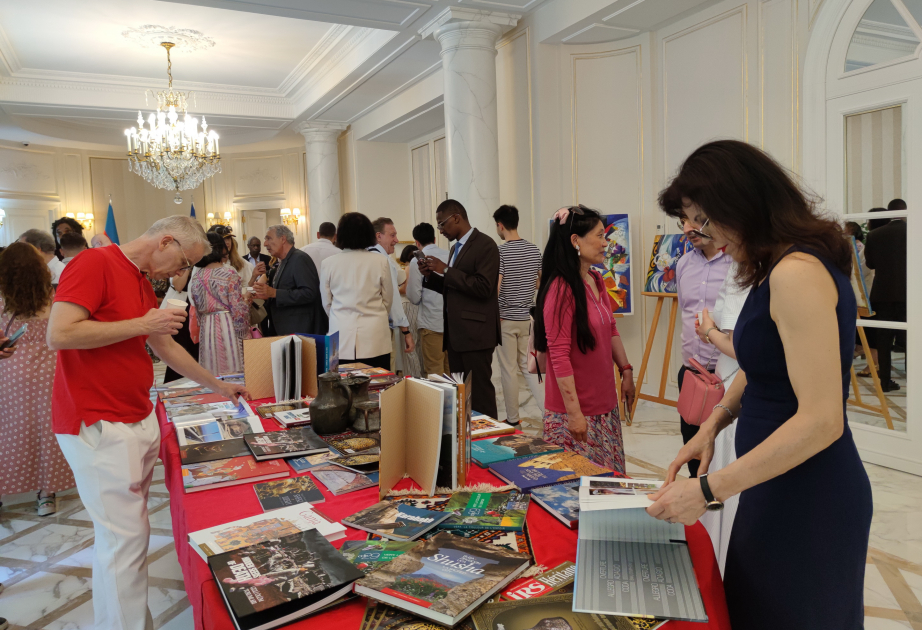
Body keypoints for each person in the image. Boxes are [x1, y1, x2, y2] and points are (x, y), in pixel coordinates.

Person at [646, 140, 872, 629]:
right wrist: (715, 422)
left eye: (703, 220)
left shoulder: (796, 273)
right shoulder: (777, 267)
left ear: (740, 201)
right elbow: (764, 361)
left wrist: (708, 490)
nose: (699, 234)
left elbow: (822, 420)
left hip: (810, 494)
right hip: (771, 481)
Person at [47, 215, 250, 630]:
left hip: (134, 412)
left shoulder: (139, 279)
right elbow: (60, 333)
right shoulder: (93, 264)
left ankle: (125, 619)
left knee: (125, 539)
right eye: (182, 262)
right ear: (165, 241)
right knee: (124, 542)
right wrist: (144, 324)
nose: (181, 273)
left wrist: (218, 386)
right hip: (99, 420)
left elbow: (163, 346)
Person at [533, 205, 635, 472]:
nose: (605, 243)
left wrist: (626, 370)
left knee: (608, 489)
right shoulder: (560, 289)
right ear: (575, 241)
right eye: (600, 236)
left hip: (604, 407)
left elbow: (610, 327)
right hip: (575, 413)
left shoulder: (595, 279)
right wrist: (575, 414)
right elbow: (559, 355)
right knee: (576, 494)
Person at [0, 243, 75, 516]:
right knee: (48, 431)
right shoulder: (54, 298)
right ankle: (47, 493)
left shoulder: (1, 300)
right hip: (51, 371)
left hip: (10, 372)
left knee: (9, 432)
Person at [419, 199, 501, 418]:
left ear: (456, 217)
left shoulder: (485, 244)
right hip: (456, 334)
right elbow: (455, 288)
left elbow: (484, 288)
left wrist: (445, 270)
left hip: (476, 334)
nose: (440, 230)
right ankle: (468, 437)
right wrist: (430, 277)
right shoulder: (456, 248)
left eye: (442, 224)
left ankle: (489, 441)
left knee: (480, 393)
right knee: (462, 392)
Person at [692, 261, 748, 574]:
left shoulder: (746, 270)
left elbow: (743, 350)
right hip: (732, 393)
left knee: (729, 485)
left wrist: (709, 331)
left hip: (737, 395)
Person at [674, 200, 732, 477]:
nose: (688, 228)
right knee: (693, 451)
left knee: (725, 455)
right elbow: (685, 310)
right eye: (683, 221)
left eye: (695, 220)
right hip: (691, 373)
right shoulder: (683, 263)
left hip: (728, 375)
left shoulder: (737, 263)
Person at [321, 213, 394, 369]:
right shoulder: (380, 261)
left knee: (341, 388)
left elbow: (327, 303)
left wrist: (339, 316)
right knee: (377, 387)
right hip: (374, 334)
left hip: (339, 334)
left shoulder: (328, 263)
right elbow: (387, 299)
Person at [493, 204, 544, 426]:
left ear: (500, 225)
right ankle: (549, 414)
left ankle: (513, 419)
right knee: (529, 368)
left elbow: (496, 287)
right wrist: (527, 286)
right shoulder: (534, 250)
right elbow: (542, 281)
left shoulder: (500, 251)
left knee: (508, 370)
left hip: (506, 318)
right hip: (526, 318)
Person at [190, 232, 252, 376]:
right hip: (227, 325)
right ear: (221, 248)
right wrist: (246, 300)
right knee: (232, 365)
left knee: (211, 367)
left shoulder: (197, 277)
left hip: (207, 327)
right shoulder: (229, 273)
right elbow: (237, 308)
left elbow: (198, 307)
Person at [863, 199, 907, 391]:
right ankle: (913, 376)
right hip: (909, 293)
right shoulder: (914, 232)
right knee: (911, 336)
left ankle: (885, 381)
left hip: (882, 293)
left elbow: (870, 264)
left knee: (883, 338)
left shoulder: (874, 235)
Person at [253, 224, 325, 335]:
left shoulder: (299, 258)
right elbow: (285, 291)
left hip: (300, 330)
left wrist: (275, 293)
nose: (265, 244)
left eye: (269, 238)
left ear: (283, 239)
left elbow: (310, 293)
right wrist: (268, 296)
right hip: (285, 329)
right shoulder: (284, 261)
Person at [407, 222, 450, 377]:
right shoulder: (450, 255)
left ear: (417, 243)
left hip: (431, 324)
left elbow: (414, 297)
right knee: (452, 372)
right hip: (452, 325)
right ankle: (456, 401)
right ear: (435, 238)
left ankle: (440, 402)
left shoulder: (417, 261)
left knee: (434, 373)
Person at [370, 217, 415, 361]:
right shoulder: (383, 261)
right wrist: (406, 331)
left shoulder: (365, 256)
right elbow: (393, 297)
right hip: (380, 328)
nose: (396, 240)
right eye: (392, 235)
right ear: (378, 236)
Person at [397, 245, 423, 377]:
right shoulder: (419, 267)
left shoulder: (408, 268)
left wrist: (392, 288)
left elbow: (404, 289)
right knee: (417, 345)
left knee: (409, 347)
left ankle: (413, 377)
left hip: (407, 306)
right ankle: (419, 376)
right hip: (417, 307)